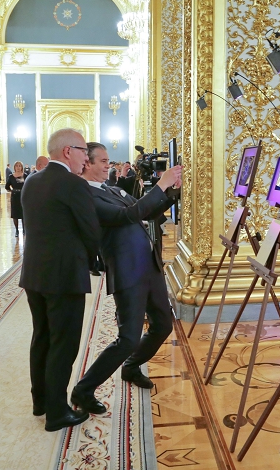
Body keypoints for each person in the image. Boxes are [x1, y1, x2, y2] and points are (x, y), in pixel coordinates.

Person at [70, 142, 181, 414]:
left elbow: (147, 212)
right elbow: (127, 215)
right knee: (128, 337)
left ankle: (131, 367)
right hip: (128, 270)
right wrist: (160, 185)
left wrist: (171, 191)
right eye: (103, 160)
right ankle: (83, 390)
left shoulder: (111, 188)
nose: (109, 164)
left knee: (163, 325)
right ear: (87, 163)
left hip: (150, 266)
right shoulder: (86, 196)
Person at [19, 128, 101, 432]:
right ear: (68, 151)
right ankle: (56, 412)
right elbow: (91, 231)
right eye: (83, 150)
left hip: (34, 273)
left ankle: (40, 401)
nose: (86, 157)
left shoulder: (32, 180)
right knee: (63, 344)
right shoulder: (72, 184)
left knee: (41, 336)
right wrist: (92, 260)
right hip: (64, 276)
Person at [5, 161, 26, 236]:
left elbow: (28, 184)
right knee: (15, 214)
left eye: (19, 166)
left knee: (23, 213)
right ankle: (17, 230)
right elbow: (6, 186)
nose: (18, 167)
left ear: (22, 167)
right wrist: (12, 191)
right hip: (15, 196)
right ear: (14, 167)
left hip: (23, 196)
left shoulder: (25, 175)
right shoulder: (11, 176)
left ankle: (24, 230)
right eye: (16, 166)